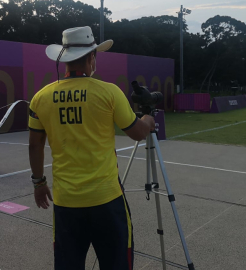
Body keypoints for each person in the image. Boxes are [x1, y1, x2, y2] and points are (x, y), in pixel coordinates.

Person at [28, 26, 155, 270]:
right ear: (91, 57)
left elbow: (35, 145)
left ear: (64, 60)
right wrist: (148, 119)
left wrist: (39, 183)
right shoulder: (109, 92)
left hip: (66, 202)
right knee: (117, 263)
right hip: (106, 199)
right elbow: (137, 133)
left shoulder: (40, 97)